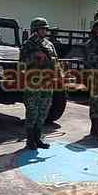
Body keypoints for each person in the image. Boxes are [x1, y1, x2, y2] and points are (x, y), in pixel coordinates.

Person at [20, 17, 59, 150]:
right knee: (32, 112)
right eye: (42, 29)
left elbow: (55, 61)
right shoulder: (28, 44)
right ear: (35, 30)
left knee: (43, 111)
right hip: (34, 82)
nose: (45, 31)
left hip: (47, 82)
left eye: (45, 29)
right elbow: (22, 63)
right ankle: (30, 140)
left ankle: (38, 138)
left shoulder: (49, 44)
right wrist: (35, 56)